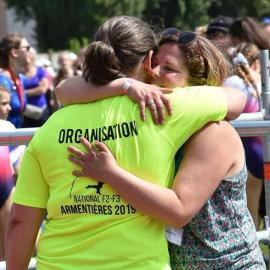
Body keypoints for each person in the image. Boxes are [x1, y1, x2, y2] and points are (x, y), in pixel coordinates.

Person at [6, 16, 245, 270]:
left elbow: (21, 221)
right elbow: (236, 99)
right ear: (148, 60)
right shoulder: (167, 106)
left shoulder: (50, 128)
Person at [64, 29, 265, 269]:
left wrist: (109, 173)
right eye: (154, 63)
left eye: (169, 69)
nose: (155, 72)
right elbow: (64, 90)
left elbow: (178, 210)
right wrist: (126, 85)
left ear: (198, 83)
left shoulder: (213, 131)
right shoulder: (154, 115)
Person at [225, 43, 263, 229]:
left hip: (244, 155)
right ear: (255, 62)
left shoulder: (232, 82)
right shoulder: (259, 81)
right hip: (264, 154)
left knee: (249, 209)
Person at [0, 33, 29, 128]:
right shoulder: (2, 80)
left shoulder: (21, 79)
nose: (30, 51)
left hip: (16, 136)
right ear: (14, 52)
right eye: (27, 48)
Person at [0, 85, 15, 261]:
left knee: (7, 254)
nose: (9, 108)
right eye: (4, 103)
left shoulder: (7, 127)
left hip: (6, 191)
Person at [22, 47, 50, 127]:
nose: (27, 55)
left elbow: (43, 89)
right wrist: (36, 90)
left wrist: (24, 92)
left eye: (30, 53)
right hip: (24, 112)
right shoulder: (19, 72)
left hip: (41, 111)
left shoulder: (40, 71)